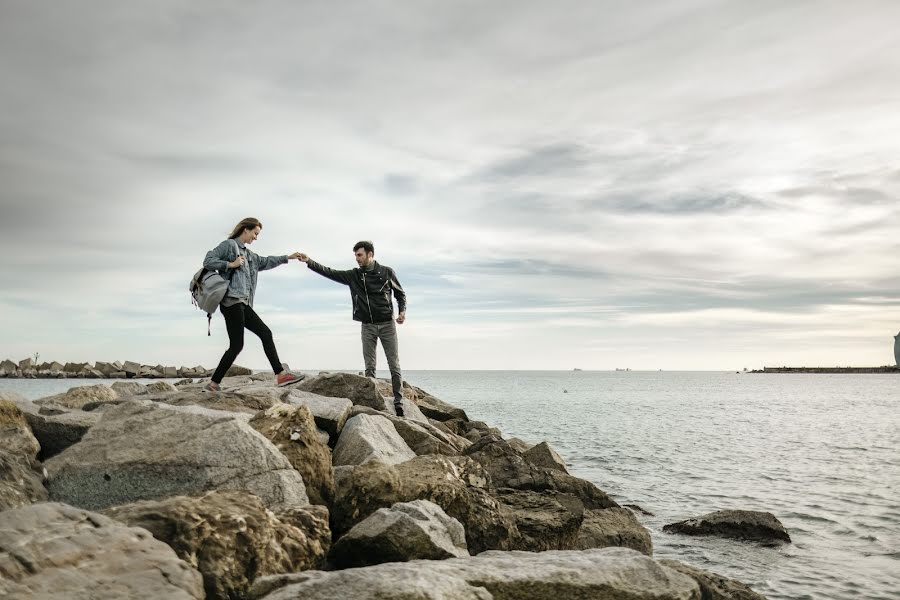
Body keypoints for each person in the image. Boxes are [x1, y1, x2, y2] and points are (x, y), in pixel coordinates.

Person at [298, 241, 408, 416]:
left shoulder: (387, 272)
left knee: (394, 365)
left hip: (387, 324)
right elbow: (330, 272)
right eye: (356, 255)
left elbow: (400, 294)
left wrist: (402, 312)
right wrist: (309, 262)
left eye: (360, 255)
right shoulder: (354, 276)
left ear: (370, 254)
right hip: (367, 325)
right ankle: (373, 402)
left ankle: (399, 403)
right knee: (370, 367)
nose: (357, 259)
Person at [203, 217, 303, 391]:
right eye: (255, 233)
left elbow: (266, 261)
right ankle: (213, 383)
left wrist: (288, 257)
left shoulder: (249, 255)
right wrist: (230, 264)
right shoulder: (229, 246)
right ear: (246, 230)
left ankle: (280, 375)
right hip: (231, 302)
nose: (256, 237)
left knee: (265, 333)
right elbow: (208, 261)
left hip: (244, 304)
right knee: (237, 345)